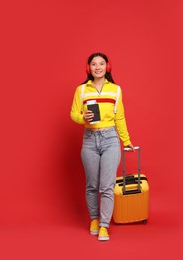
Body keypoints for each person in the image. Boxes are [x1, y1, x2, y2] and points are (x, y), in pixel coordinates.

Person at [70, 52, 134, 241]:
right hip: (89, 139)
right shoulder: (81, 90)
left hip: (110, 139)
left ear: (107, 67)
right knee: (92, 185)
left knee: (107, 186)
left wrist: (126, 140)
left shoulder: (116, 90)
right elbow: (74, 113)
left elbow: (119, 117)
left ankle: (104, 225)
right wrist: (83, 118)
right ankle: (94, 219)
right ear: (88, 68)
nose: (97, 67)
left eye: (101, 64)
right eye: (93, 64)